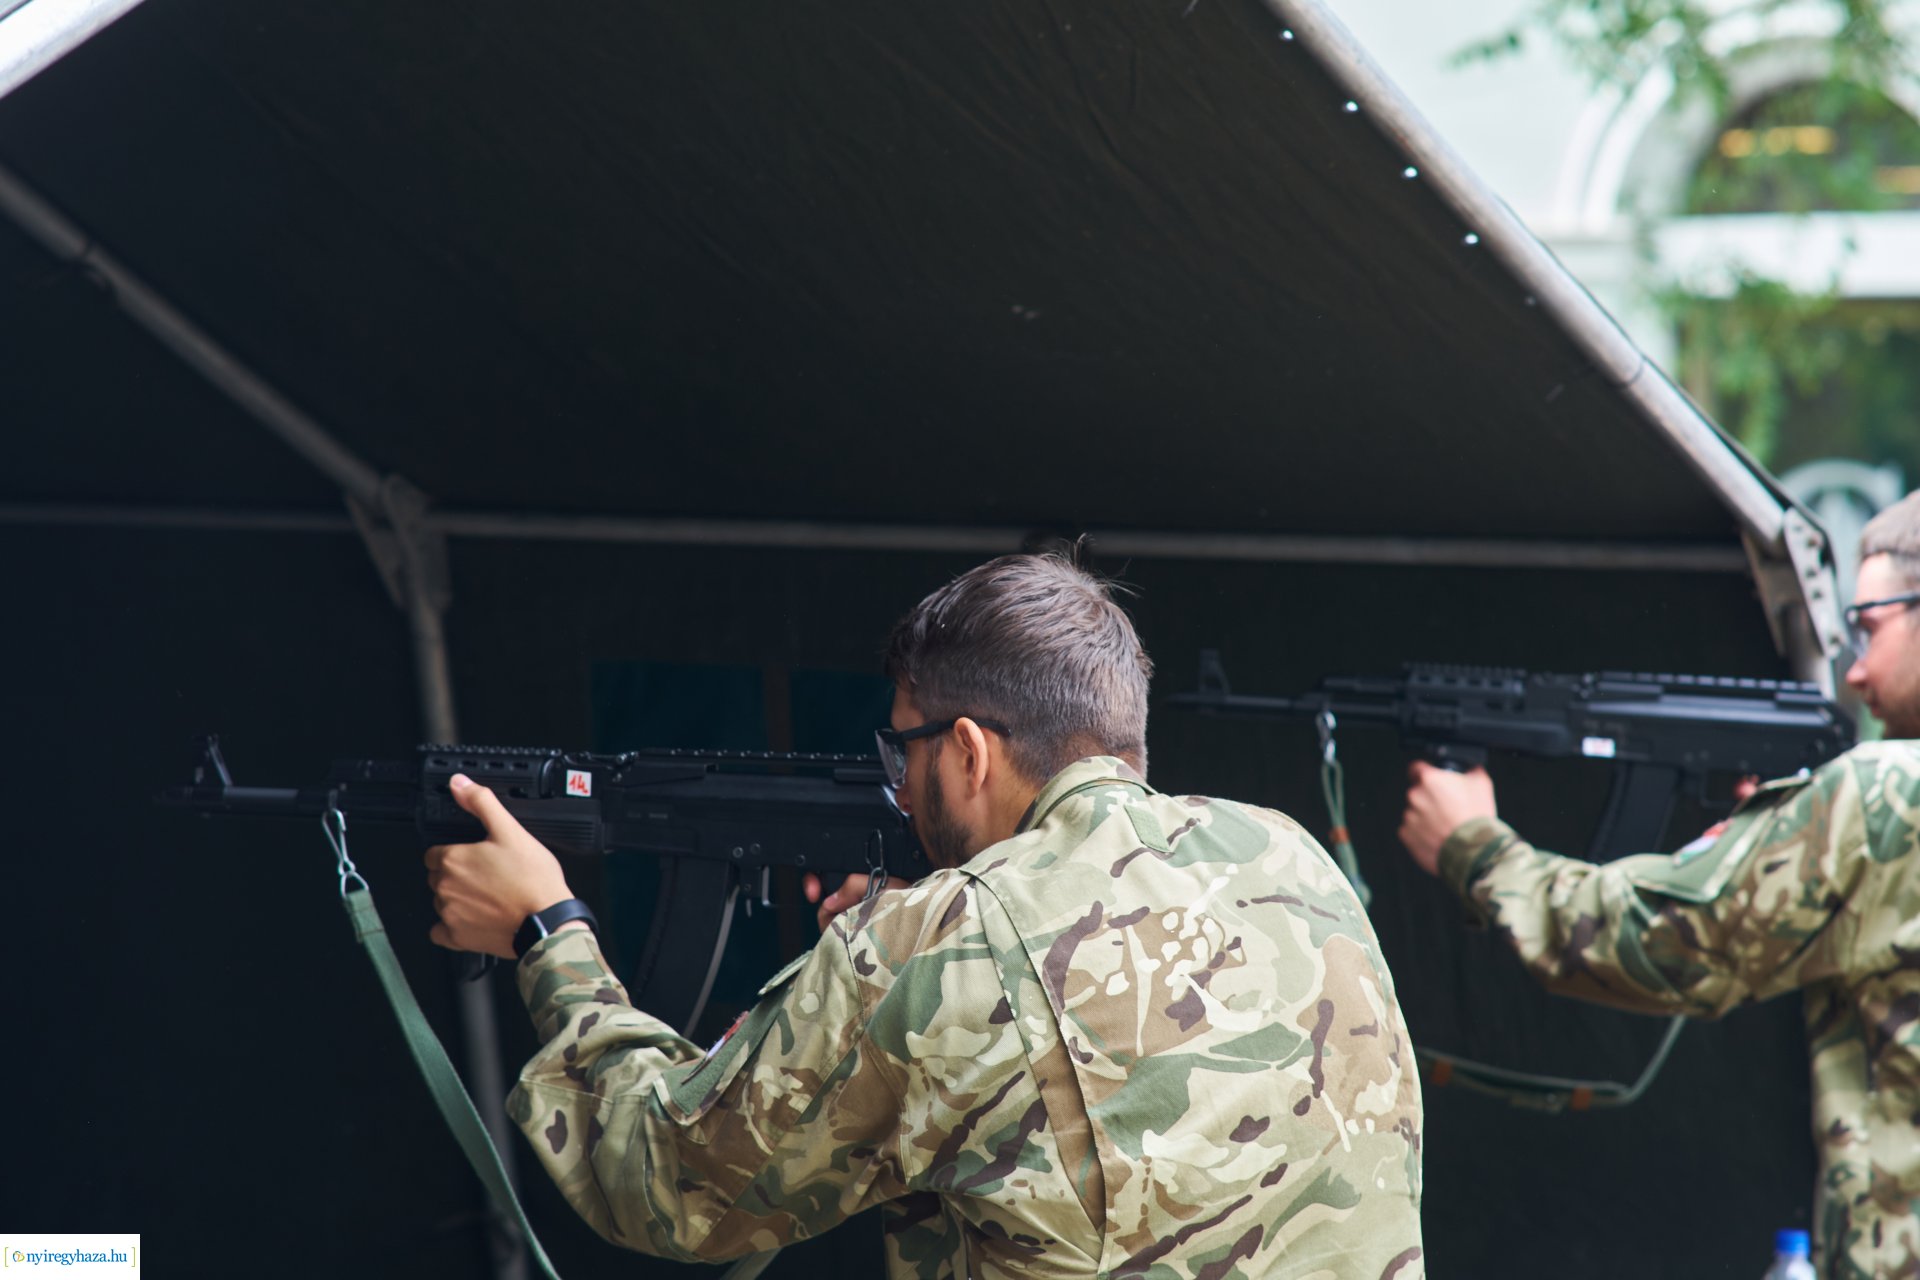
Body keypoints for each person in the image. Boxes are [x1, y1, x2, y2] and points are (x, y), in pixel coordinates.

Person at [427, 553, 1425, 1279]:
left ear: (968, 750)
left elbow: (662, 1177)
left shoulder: (933, 950)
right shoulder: (1289, 854)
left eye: (902, 746)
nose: (900, 784)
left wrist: (547, 931)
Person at [1398, 491, 1920, 1279]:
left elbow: (1662, 943)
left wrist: (1477, 852)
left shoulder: (1890, 792)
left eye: (1871, 627)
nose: (1853, 667)